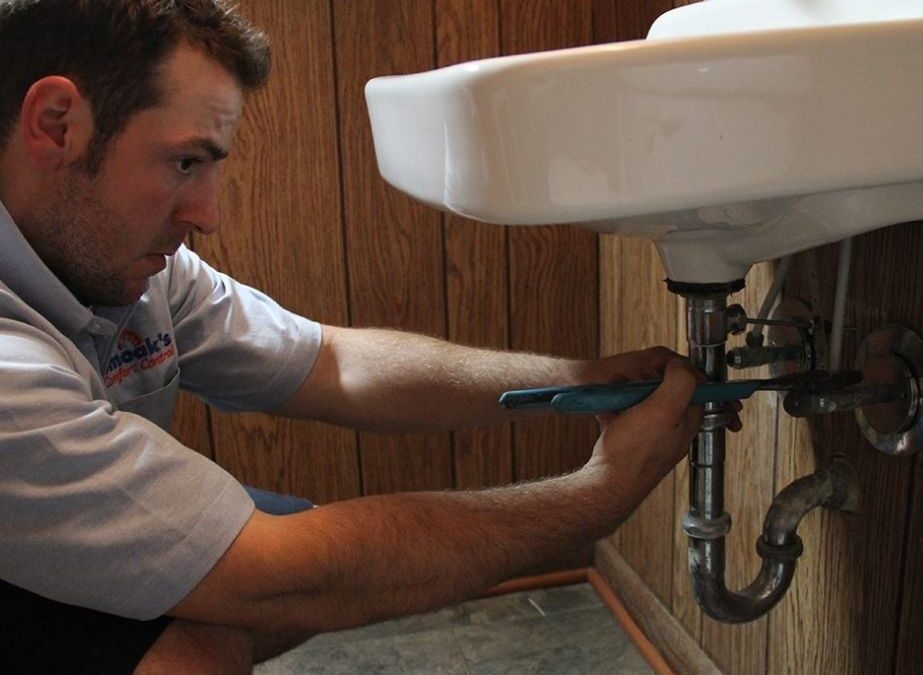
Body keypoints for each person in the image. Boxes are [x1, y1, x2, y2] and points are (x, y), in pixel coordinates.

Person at [0, 1, 708, 672]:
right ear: (56, 125)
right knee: (210, 638)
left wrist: (581, 381)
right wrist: (599, 494)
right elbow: (282, 573)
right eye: (186, 162)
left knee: (262, 578)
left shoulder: (131, 264)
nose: (209, 214)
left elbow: (334, 365)